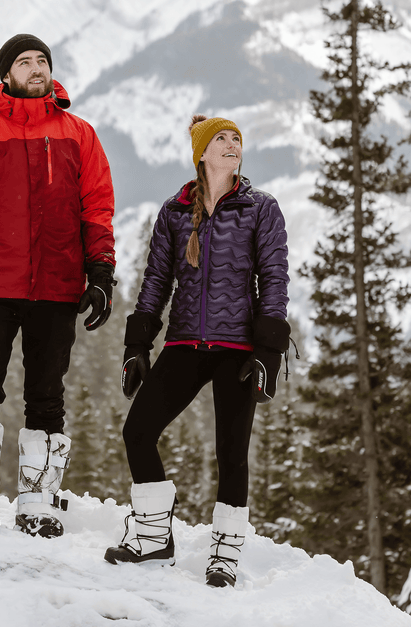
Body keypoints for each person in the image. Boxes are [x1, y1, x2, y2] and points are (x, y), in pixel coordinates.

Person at [0, 34, 116, 539]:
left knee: (46, 396)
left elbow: (97, 208)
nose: (36, 68)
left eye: (43, 60)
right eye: (25, 61)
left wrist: (101, 273)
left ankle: (39, 501)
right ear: (6, 74)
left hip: (58, 286)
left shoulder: (79, 135)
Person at [104, 114, 290, 587]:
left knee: (232, 451)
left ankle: (224, 556)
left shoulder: (260, 208)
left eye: (237, 139)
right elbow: (156, 280)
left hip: (238, 348)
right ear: (202, 153)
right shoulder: (173, 211)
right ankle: (152, 537)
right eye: (221, 139)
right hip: (184, 342)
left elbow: (274, 279)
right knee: (138, 431)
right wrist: (137, 343)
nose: (232, 145)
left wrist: (268, 350)